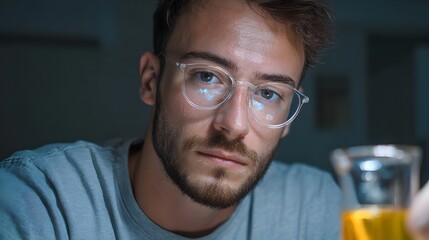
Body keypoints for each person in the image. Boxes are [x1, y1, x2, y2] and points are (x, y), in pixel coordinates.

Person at [0, 0, 428, 239]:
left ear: (289, 114)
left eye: (268, 93)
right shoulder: (43, 202)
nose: (234, 123)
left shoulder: (316, 208)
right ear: (151, 80)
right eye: (207, 77)